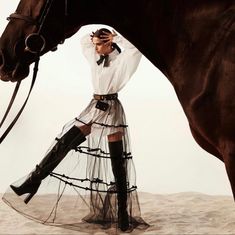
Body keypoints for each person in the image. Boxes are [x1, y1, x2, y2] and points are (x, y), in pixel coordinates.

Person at [4, 28, 148, 232]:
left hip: (112, 110)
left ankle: (123, 214)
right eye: (96, 44)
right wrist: (95, 37)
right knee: (65, 141)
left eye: (101, 44)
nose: (96, 48)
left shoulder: (123, 61)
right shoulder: (94, 56)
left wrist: (117, 37)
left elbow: (135, 48)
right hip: (93, 107)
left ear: (110, 44)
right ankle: (33, 181)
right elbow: (83, 42)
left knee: (117, 164)